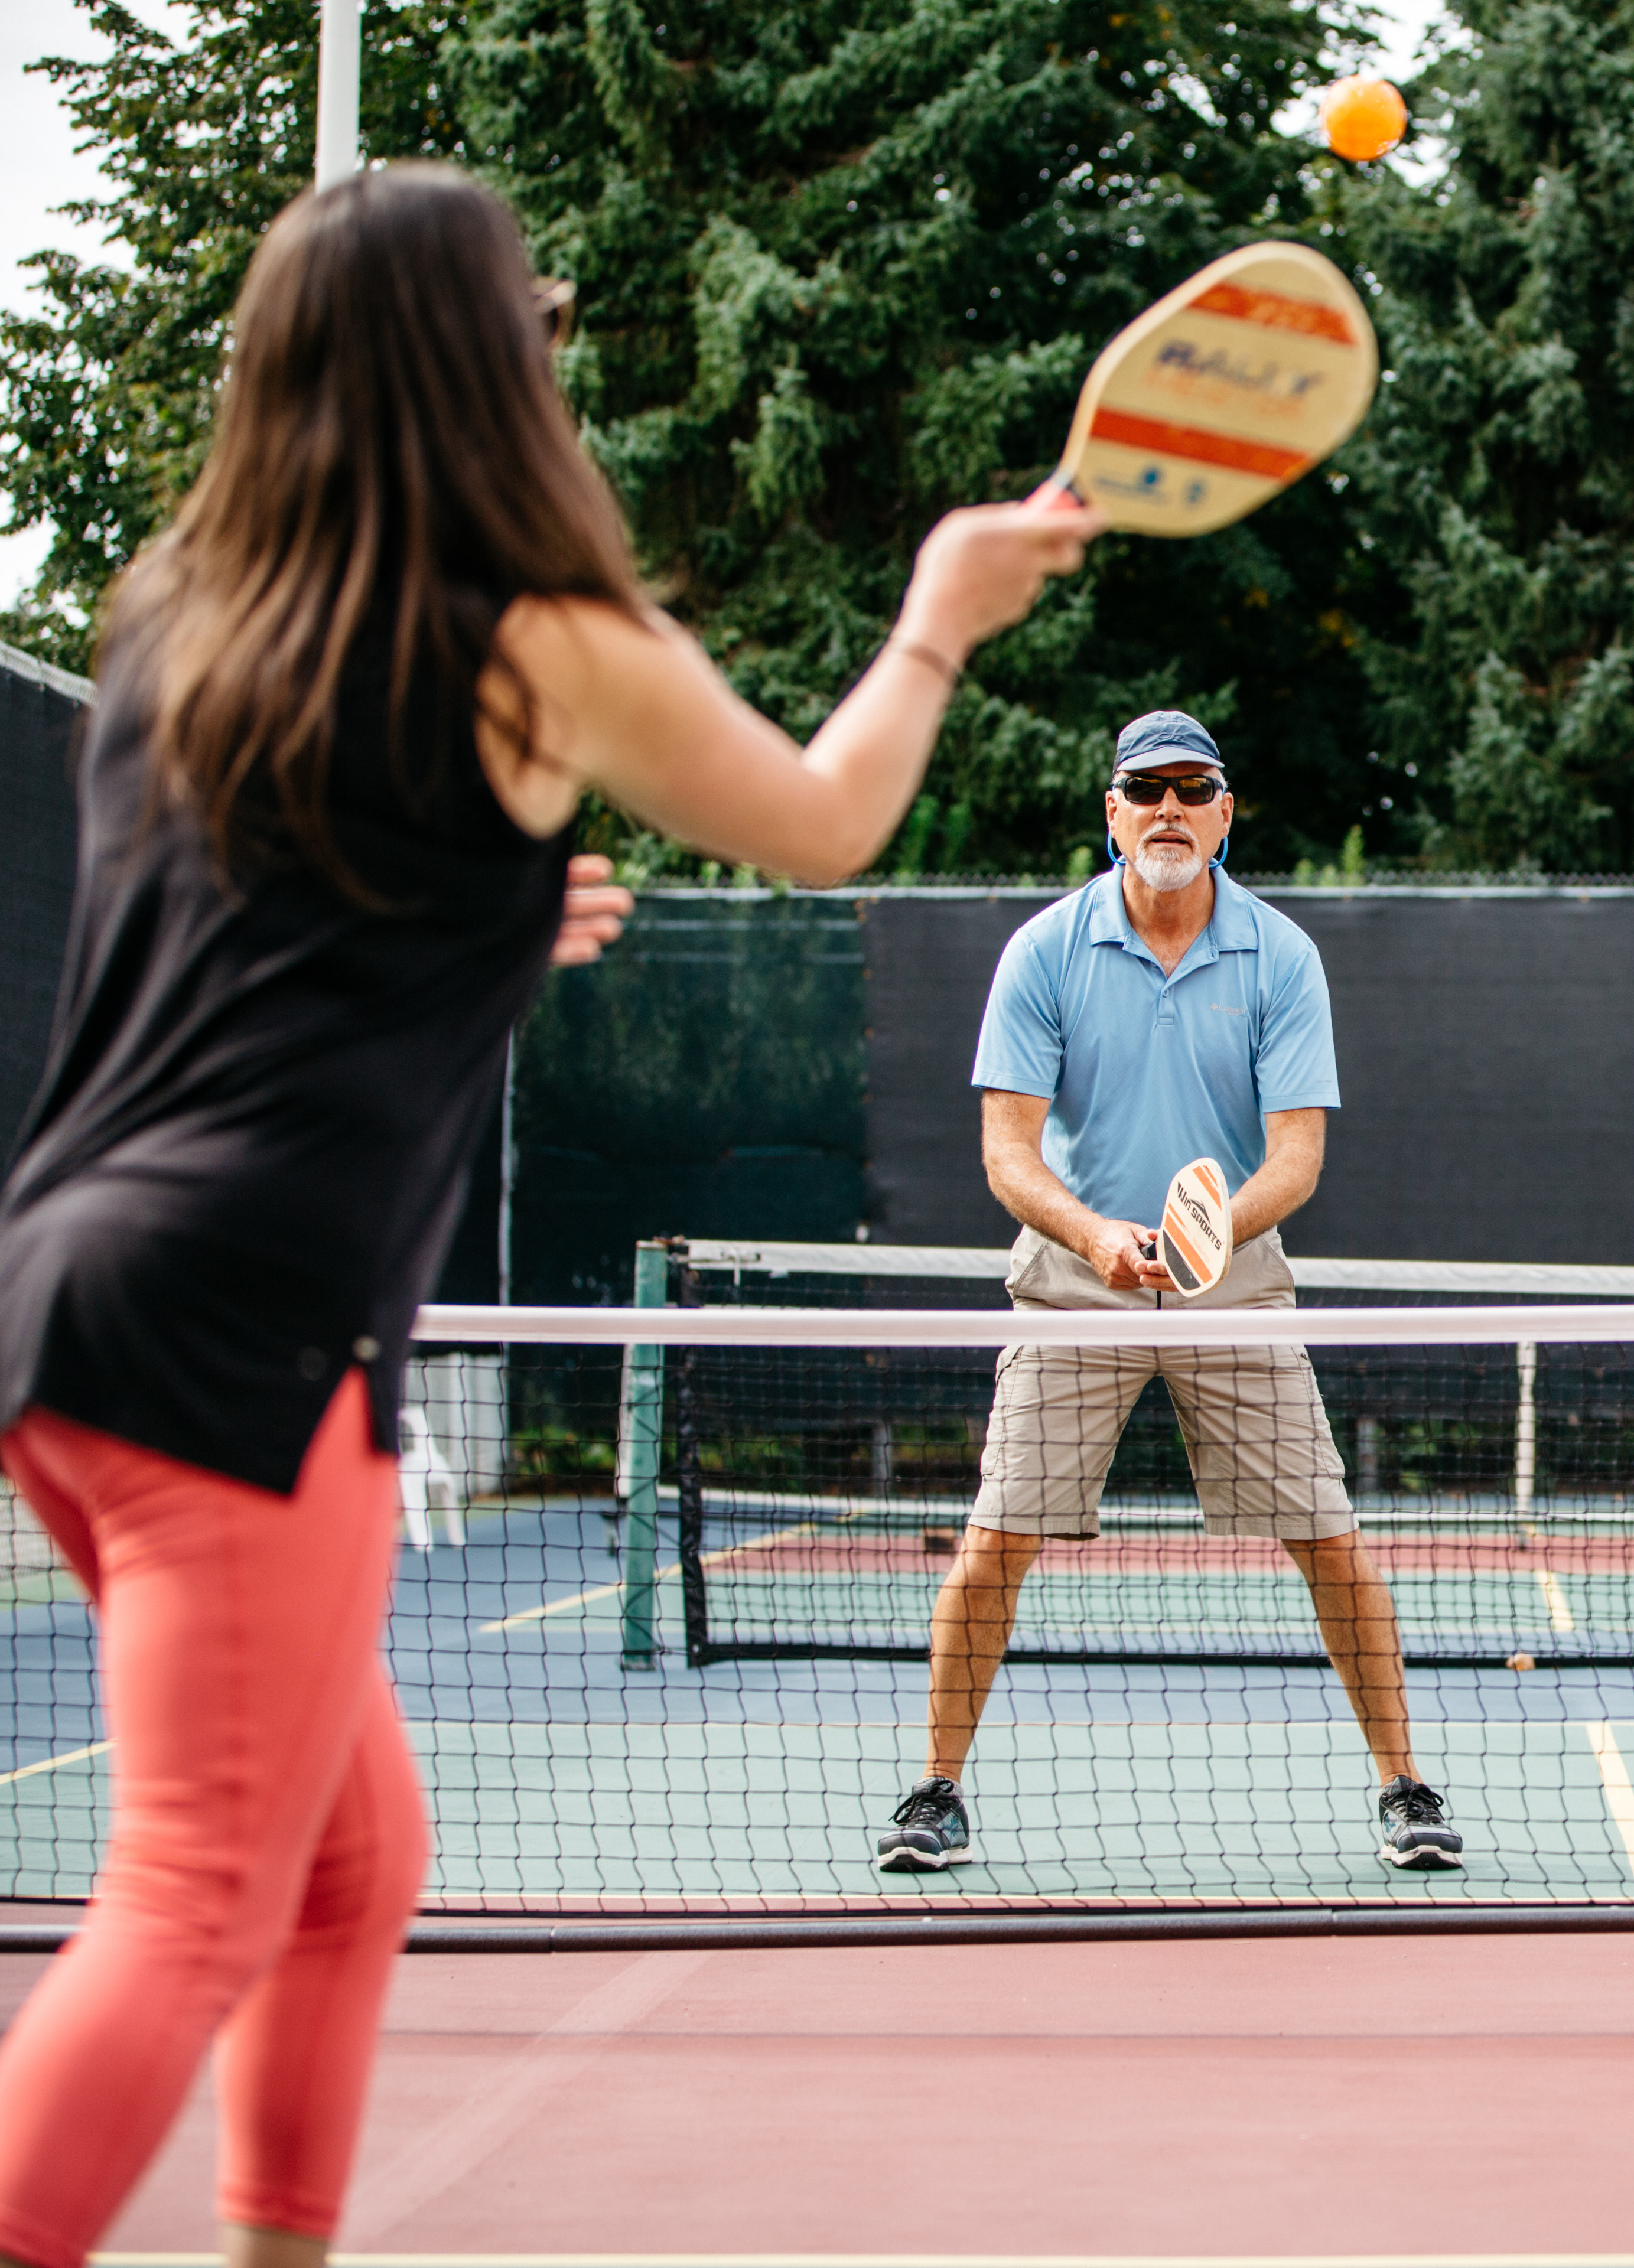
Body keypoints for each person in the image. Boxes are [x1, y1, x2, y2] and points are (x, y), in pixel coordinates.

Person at [0, 167, 1085, 2268]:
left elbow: (273, 927)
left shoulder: (176, 618)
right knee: (197, 1888)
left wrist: (496, 918)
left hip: (61, 1305)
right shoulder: (534, 639)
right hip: (251, 1333)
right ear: (491, 371)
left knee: (354, 1857)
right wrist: (944, 610)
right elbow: (828, 818)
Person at [870, 710, 1463, 1876]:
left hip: (1232, 1288)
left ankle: (1406, 1786)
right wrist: (1100, 1239)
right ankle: (935, 1792)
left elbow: (1295, 1158)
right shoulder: (1043, 953)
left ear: (1226, 814)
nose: (1169, 810)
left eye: (1194, 788)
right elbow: (1008, 1154)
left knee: (1330, 1539)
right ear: (1113, 813)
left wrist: (1203, 1235)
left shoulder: (1282, 957)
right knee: (993, 1542)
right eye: (1146, 790)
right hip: (1073, 1285)